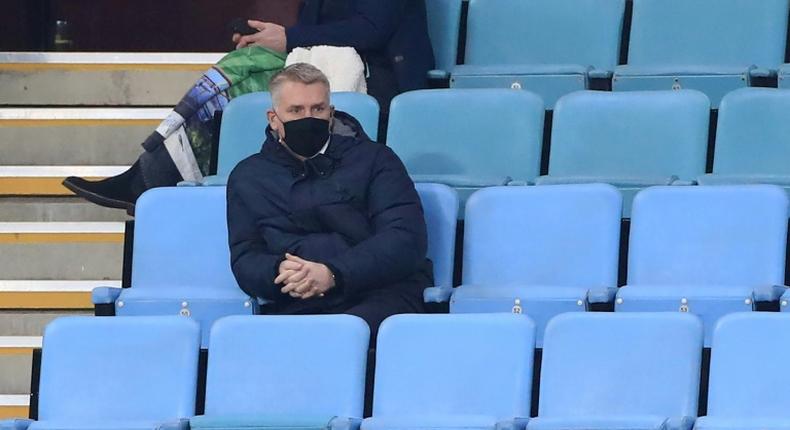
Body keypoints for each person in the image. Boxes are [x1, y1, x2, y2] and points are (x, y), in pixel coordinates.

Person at [227, 63, 431, 337]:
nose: (308, 118)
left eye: (318, 109)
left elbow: (405, 239)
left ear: (331, 113)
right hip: (296, 301)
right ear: (273, 118)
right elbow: (245, 257)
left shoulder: (376, 160)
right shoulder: (248, 176)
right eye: (296, 111)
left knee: (337, 337)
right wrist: (277, 271)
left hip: (380, 293)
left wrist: (334, 273)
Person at [233, 0, 435, 140]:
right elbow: (309, 30)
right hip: (320, 72)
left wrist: (290, 37)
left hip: (384, 79)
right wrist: (266, 39)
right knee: (237, 72)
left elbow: (371, 30)